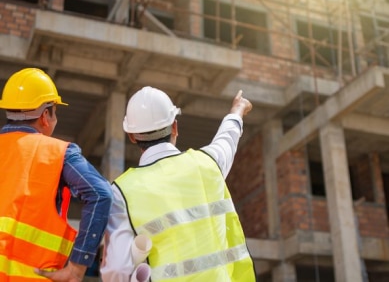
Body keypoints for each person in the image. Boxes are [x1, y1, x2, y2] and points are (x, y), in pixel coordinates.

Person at [100, 86, 256, 281]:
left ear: (132, 136)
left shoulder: (121, 192)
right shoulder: (207, 163)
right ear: (175, 127)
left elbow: (117, 270)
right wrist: (237, 110)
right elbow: (227, 139)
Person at [0, 68, 113, 281]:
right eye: (55, 111)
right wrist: (77, 267)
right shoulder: (59, 153)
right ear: (45, 116)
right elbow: (100, 194)